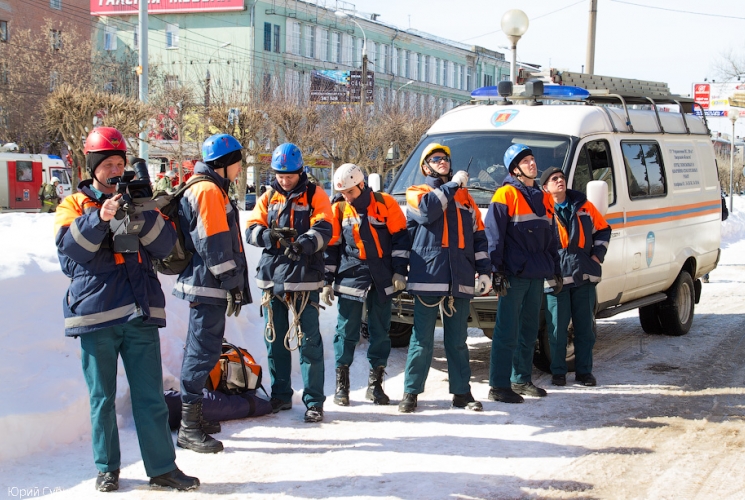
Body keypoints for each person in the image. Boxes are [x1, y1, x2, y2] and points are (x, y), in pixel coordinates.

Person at [53, 127, 199, 492]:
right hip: (96, 316)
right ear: (93, 168)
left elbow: (166, 247)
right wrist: (101, 217)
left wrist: (144, 211)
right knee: (102, 398)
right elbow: (70, 252)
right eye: (108, 164)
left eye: (121, 162)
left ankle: (162, 468)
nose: (115, 170)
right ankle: (107, 469)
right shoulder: (73, 204)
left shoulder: (139, 201)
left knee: (150, 396)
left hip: (139, 313)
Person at [172, 133, 252, 454]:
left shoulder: (211, 187)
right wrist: (232, 282)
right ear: (224, 163)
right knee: (201, 351)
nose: (240, 168)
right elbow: (214, 243)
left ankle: (195, 417)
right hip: (208, 285)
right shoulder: (206, 190)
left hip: (209, 284)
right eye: (238, 162)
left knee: (204, 349)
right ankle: (189, 427)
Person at [399, 143, 492, 413]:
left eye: (446, 159)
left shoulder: (466, 199)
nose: (443, 162)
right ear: (426, 166)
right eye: (436, 159)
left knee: (457, 341)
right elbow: (428, 211)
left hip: (459, 277)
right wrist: (452, 186)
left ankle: (462, 393)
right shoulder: (418, 192)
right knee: (421, 340)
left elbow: (479, 237)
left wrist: (484, 271)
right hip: (428, 275)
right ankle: (411, 393)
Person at [246, 143, 333, 423]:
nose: (285, 180)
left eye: (290, 176)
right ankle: (281, 395)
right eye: (280, 175)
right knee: (275, 341)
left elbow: (325, 227)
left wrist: (304, 244)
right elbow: (251, 228)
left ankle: (314, 401)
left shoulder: (315, 194)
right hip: (273, 278)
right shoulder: (268, 196)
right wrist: (268, 236)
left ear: (300, 172)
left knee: (310, 343)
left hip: (305, 278)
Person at [322, 163, 410, 407]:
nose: (346, 196)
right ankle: (342, 386)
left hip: (383, 276)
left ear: (361, 185)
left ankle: (376, 386)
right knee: (346, 330)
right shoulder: (339, 208)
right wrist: (327, 281)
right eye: (343, 193)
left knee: (380, 331)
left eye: (350, 191)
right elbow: (332, 247)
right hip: (351, 274)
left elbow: (401, 238)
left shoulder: (386, 203)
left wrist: (400, 272)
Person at [485, 144, 562, 404]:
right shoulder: (505, 194)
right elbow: (493, 238)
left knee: (529, 330)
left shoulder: (543, 197)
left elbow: (551, 237)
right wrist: (496, 271)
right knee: (506, 331)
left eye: (532, 159)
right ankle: (498, 385)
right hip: (513, 275)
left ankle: (521, 379)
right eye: (526, 161)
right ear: (515, 169)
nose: (532, 163)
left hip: (536, 274)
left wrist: (556, 270)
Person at [540, 167, 611, 387]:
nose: (560, 181)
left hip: (583, 275)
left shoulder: (584, 206)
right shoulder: (541, 209)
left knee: (584, 329)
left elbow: (604, 230)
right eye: (554, 179)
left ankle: (584, 373)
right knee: (556, 329)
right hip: (556, 277)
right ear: (545, 187)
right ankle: (558, 372)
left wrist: (597, 256)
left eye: (561, 178)